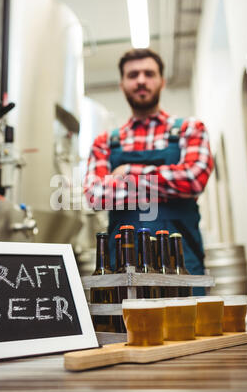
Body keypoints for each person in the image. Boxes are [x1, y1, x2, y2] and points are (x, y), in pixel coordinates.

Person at [84, 48, 214, 289]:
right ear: (122, 84)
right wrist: (167, 182)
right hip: (123, 267)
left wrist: (129, 173)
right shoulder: (105, 141)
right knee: (126, 327)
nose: (141, 80)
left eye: (149, 73)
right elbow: (95, 195)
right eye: (133, 75)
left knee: (187, 325)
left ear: (162, 82)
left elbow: (194, 179)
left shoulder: (189, 129)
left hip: (182, 263)